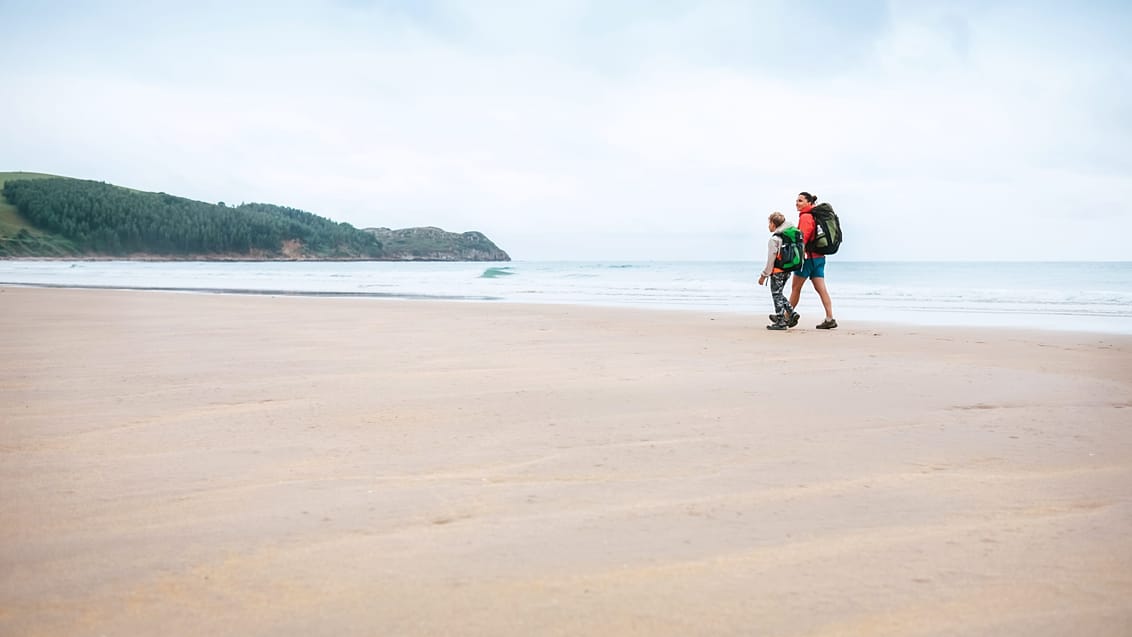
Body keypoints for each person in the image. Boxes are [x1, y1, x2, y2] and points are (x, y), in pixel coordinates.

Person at [790, 191, 837, 329]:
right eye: (797, 200)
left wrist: (798, 256)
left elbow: (803, 238)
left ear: (809, 203)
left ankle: (786, 317)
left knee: (795, 289)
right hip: (819, 259)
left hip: (807, 259)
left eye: (800, 200)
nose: (797, 203)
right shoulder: (816, 216)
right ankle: (830, 318)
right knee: (822, 290)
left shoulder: (806, 217)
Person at [758, 211, 799, 331]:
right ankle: (792, 313)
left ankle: (781, 321)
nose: (768, 226)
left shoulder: (775, 239)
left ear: (773, 224)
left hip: (777, 271)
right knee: (779, 293)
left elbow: (771, 259)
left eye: (769, 223)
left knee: (776, 295)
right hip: (788, 270)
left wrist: (764, 275)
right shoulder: (788, 236)